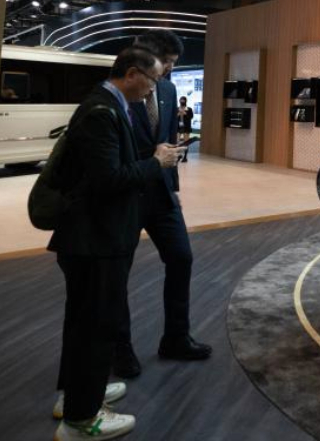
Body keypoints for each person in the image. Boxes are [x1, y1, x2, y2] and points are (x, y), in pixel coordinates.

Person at [49, 46, 180, 441]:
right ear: (133, 73)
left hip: (93, 236)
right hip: (94, 239)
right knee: (95, 325)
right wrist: (155, 163)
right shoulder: (102, 112)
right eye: (153, 79)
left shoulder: (106, 104)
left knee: (84, 323)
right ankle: (82, 419)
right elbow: (109, 179)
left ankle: (76, 396)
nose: (154, 88)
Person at [112, 31, 211, 380]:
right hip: (125, 196)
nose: (168, 71)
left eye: (171, 65)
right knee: (117, 274)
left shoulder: (168, 91)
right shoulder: (119, 92)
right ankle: (119, 349)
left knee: (181, 258)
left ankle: (176, 338)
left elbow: (166, 142)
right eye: (166, 63)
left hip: (162, 195)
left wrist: (174, 187)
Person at [177, 97, 194, 162]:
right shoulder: (177, 109)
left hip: (186, 127)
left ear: (186, 101)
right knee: (177, 141)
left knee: (186, 142)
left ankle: (185, 157)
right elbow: (174, 117)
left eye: (183, 100)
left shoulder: (189, 109)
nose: (182, 101)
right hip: (178, 127)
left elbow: (191, 117)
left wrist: (185, 113)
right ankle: (178, 155)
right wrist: (178, 114)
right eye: (181, 100)